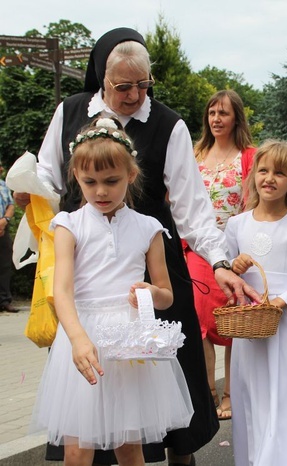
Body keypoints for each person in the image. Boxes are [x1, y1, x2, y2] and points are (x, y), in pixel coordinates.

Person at [15, 28, 256, 465]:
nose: (133, 95)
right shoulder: (71, 111)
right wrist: (27, 191)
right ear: (102, 80)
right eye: (123, 87)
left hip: (150, 254)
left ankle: (180, 456)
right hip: (85, 262)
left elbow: (193, 209)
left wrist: (218, 261)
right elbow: (49, 180)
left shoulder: (168, 124)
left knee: (165, 375)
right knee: (89, 398)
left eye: (143, 85)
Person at [30, 119, 194, 466]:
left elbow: (167, 294)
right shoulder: (68, 225)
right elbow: (62, 290)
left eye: (111, 181)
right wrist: (77, 338)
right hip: (82, 334)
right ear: (76, 177)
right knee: (77, 449)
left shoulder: (149, 228)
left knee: (129, 446)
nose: (100, 191)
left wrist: (151, 292)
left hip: (128, 343)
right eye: (90, 182)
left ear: (131, 175)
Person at [226, 140, 287, 466]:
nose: (269, 178)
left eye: (279, 173)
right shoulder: (237, 225)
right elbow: (227, 274)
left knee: (285, 397)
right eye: (264, 170)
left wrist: (282, 302)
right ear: (254, 174)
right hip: (249, 327)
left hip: (285, 326)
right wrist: (235, 267)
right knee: (250, 397)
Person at [186, 90, 255, 422]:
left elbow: (256, 203)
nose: (216, 118)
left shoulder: (249, 156)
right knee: (201, 320)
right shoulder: (195, 153)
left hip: (235, 250)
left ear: (235, 118)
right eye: (212, 112)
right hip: (198, 249)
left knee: (231, 322)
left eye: (223, 113)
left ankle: (230, 392)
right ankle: (208, 393)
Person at [0, 165, 18, 313]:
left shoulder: (3, 185)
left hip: (2, 229)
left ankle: (4, 300)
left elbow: (11, 205)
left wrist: (4, 220)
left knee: (5, 265)